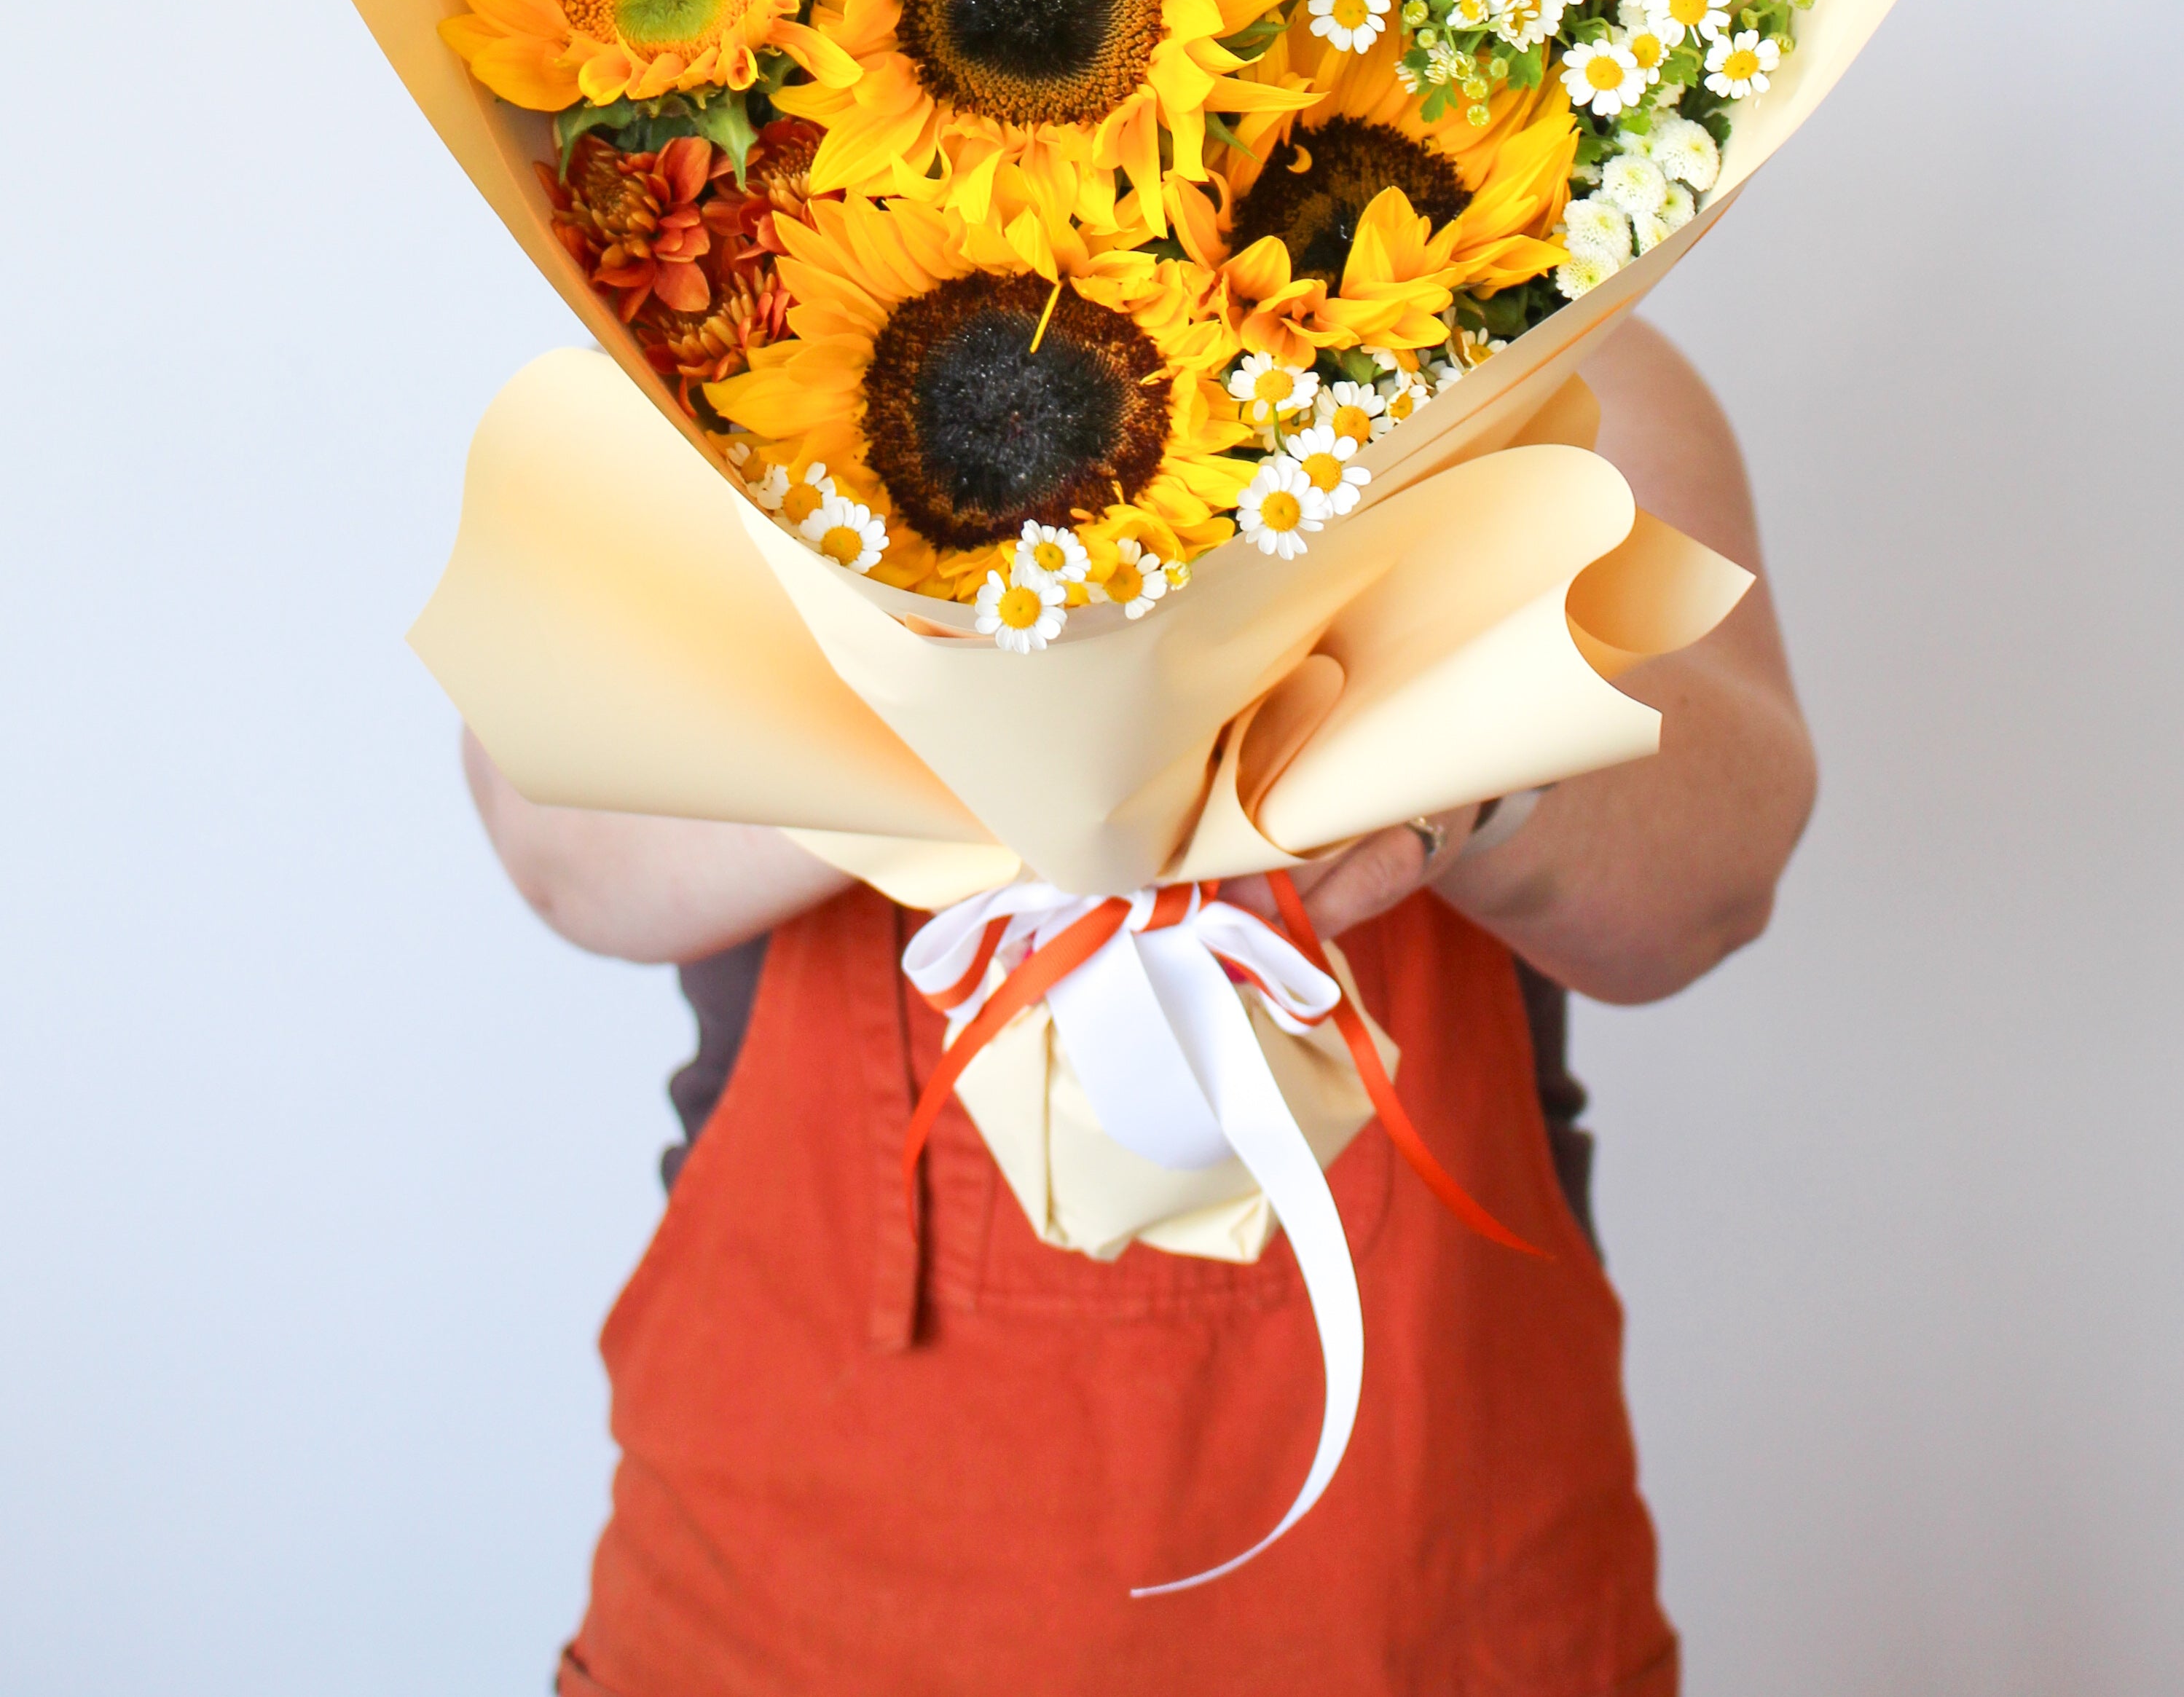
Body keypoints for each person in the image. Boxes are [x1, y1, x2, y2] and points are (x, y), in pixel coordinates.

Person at [468, 320, 1816, 1697]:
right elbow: (563, 853)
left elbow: (1710, 888)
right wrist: (964, 691)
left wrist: (1474, 760)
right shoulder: (710, 360)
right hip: (767, 1616)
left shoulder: (1554, 356)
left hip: (1445, 1609)